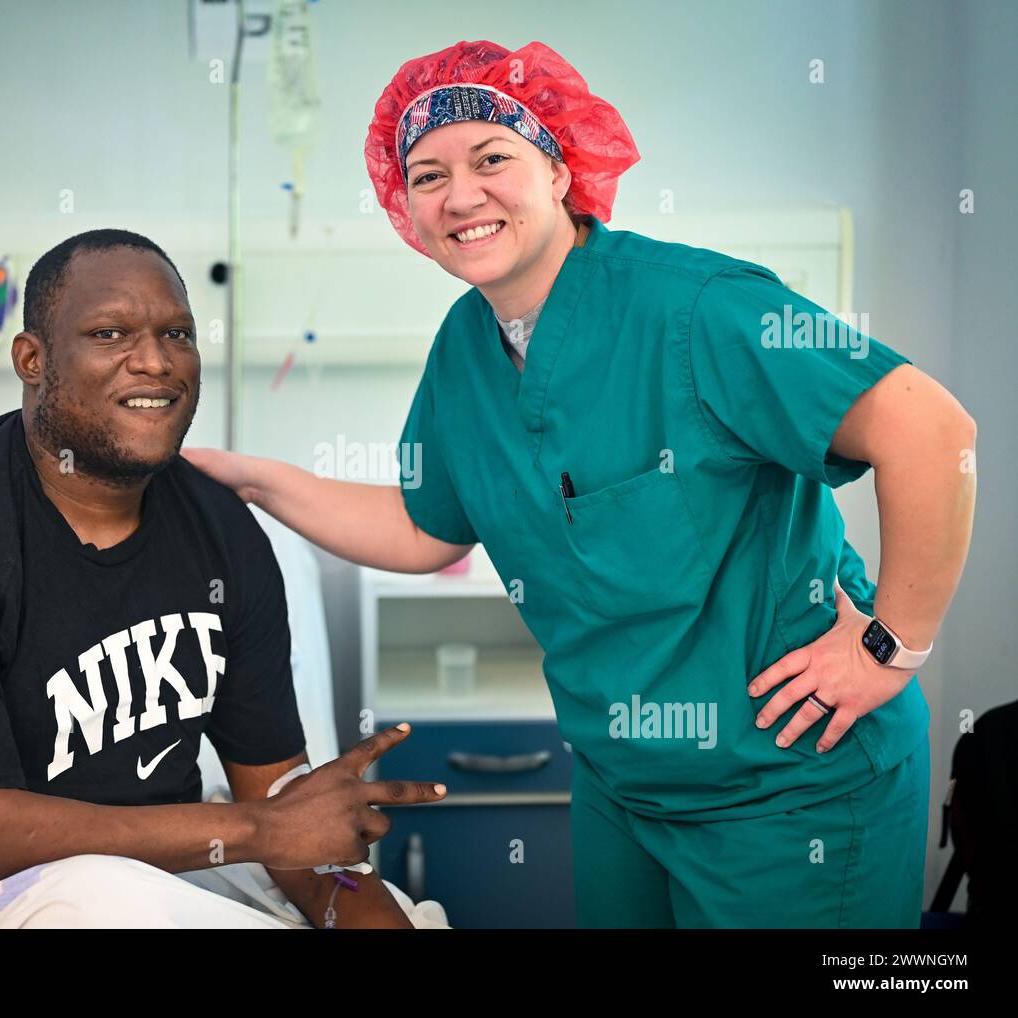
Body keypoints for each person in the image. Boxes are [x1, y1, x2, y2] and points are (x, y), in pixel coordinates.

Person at [182, 40, 979, 928]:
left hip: (791, 793)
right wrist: (253, 479)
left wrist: (891, 647)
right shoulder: (466, 346)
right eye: (427, 175)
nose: (460, 196)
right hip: (623, 788)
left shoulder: (697, 307)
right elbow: (425, 527)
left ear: (560, 168)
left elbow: (933, 431)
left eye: (492, 159)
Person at [0, 228, 447, 928]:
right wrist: (257, 830)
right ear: (32, 359)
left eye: (177, 333)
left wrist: (345, 895)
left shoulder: (221, 531)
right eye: (111, 333)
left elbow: (275, 798)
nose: (155, 362)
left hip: (155, 863)